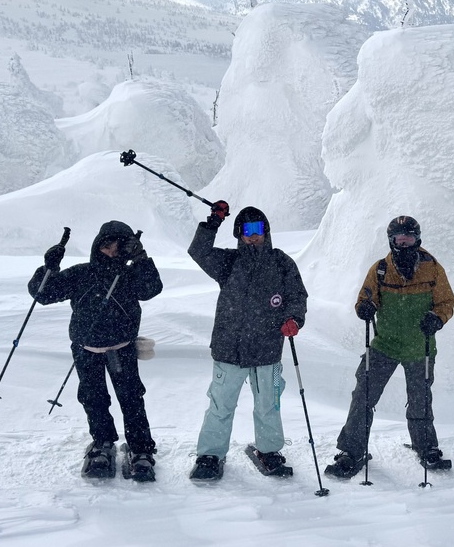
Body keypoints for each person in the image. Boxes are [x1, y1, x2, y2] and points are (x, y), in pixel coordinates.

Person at [30, 221, 162, 481]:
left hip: (122, 349)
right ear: (97, 246)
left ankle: (141, 449)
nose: (112, 251)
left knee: (131, 398)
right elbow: (43, 294)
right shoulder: (82, 273)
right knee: (94, 398)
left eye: (119, 246)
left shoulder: (130, 274)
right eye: (106, 245)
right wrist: (48, 268)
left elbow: (151, 289)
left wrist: (142, 259)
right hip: (86, 350)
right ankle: (102, 443)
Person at [327, 216, 454, 479]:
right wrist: (365, 307)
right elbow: (365, 297)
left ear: (417, 239)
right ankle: (352, 451)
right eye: (399, 240)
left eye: (408, 239)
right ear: (391, 241)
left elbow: (446, 301)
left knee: (420, 400)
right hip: (384, 345)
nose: (403, 244)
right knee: (363, 395)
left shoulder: (433, 269)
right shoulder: (380, 269)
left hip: (420, 346)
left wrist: (437, 318)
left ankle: (426, 447)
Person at [187, 201, 308, 481]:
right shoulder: (228, 262)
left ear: (266, 231)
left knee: (269, 404)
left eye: (258, 229)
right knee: (221, 405)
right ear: (239, 234)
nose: (253, 235)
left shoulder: (281, 262)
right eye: (246, 230)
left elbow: (297, 295)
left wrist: (294, 318)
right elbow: (199, 252)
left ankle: (269, 451)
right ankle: (210, 455)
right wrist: (213, 222)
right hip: (229, 349)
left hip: (268, 351)